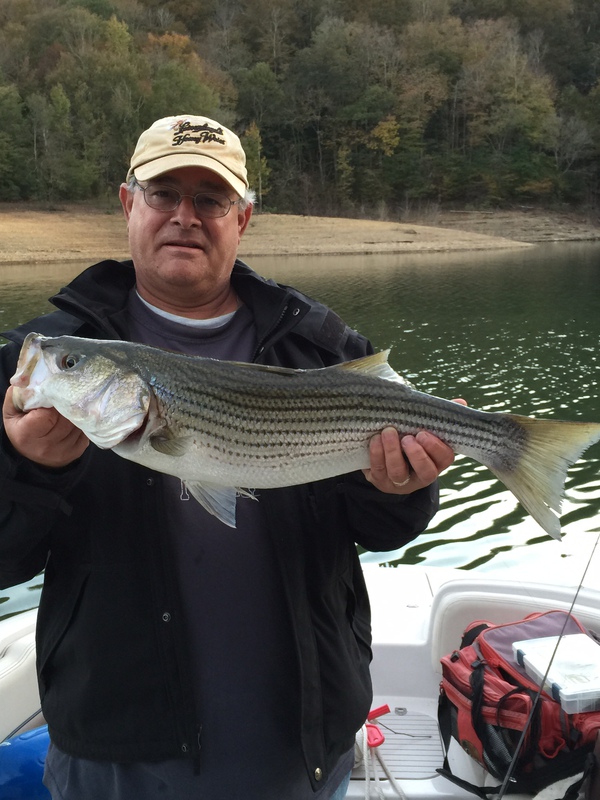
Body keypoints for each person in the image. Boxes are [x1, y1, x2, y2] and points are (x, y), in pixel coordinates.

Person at [0, 115, 457, 800]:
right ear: (128, 204)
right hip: (116, 757)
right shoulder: (46, 360)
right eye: (163, 194)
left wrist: (400, 488)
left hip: (298, 745)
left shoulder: (322, 347)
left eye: (210, 199)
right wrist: (33, 468)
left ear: (243, 217)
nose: (185, 216)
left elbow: (387, 529)